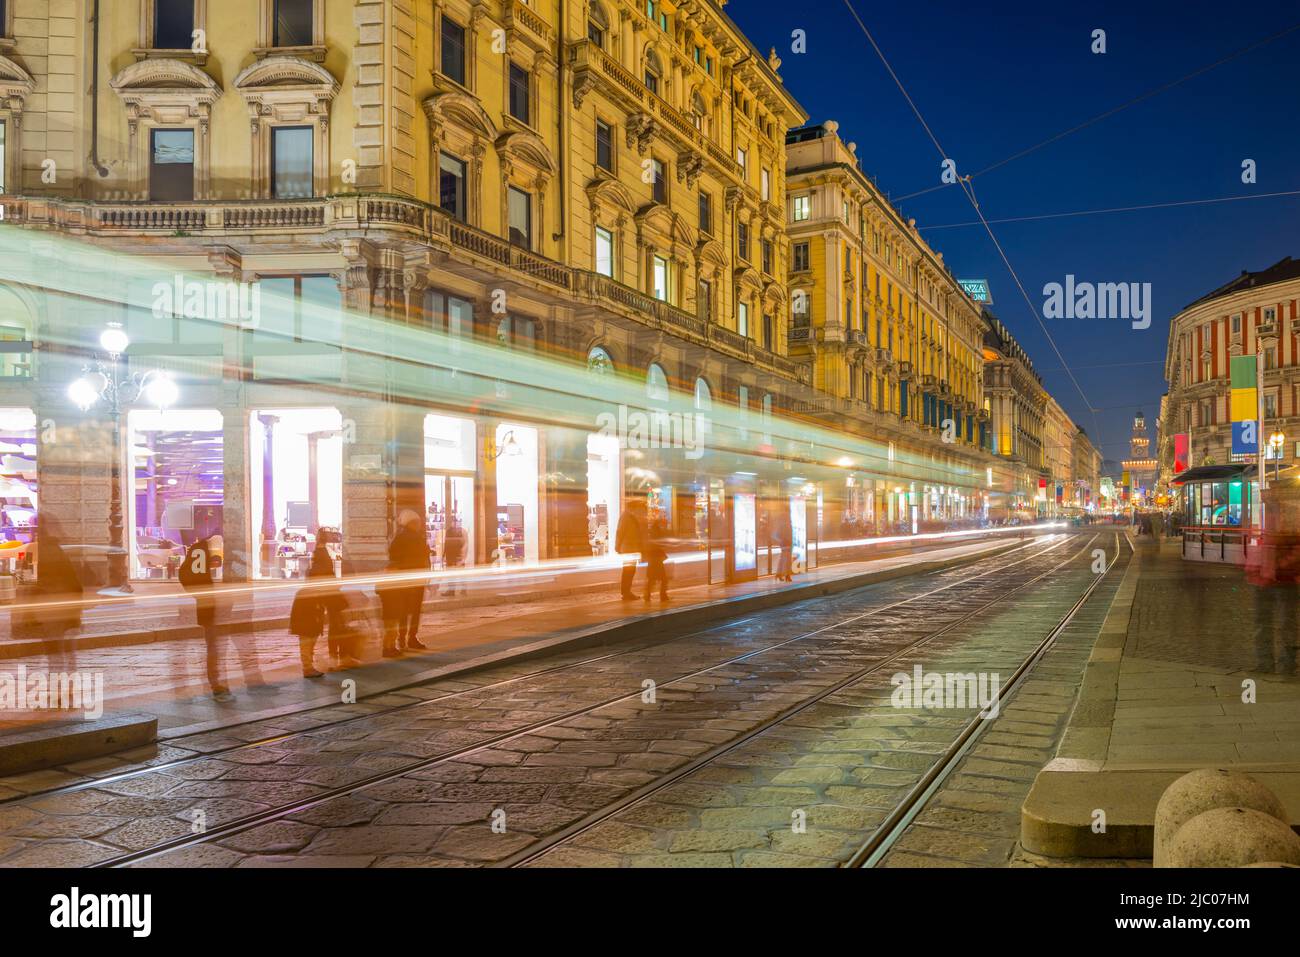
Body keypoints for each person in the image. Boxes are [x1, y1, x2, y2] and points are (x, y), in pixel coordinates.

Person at [180, 534, 266, 701]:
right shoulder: (203, 548)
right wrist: (202, 596)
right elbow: (185, 574)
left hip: (231, 608)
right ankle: (217, 686)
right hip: (213, 610)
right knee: (216, 649)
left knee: (242, 647)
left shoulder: (233, 547)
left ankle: (251, 682)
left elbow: (242, 572)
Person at [289, 543, 347, 678]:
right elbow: (328, 591)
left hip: (308, 606)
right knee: (307, 638)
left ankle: (308, 666)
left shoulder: (315, 569)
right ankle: (307, 668)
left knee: (308, 638)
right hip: (310, 607)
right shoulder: (322, 571)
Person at [380, 510, 431, 657]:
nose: (420, 524)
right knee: (410, 610)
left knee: (407, 610)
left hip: (411, 578)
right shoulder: (409, 538)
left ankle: (405, 639)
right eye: (417, 522)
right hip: (411, 579)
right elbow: (400, 557)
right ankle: (406, 638)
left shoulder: (402, 537)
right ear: (410, 523)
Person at [614, 501, 644, 600]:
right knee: (628, 571)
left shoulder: (631, 516)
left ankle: (626, 592)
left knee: (630, 571)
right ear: (632, 507)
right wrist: (617, 546)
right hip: (628, 549)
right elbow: (620, 532)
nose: (638, 510)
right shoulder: (626, 517)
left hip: (632, 548)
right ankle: (626, 593)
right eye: (636, 508)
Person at [643, 516, 670, 602]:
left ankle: (648, 595)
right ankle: (663, 596)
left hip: (653, 558)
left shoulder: (653, 531)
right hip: (656, 558)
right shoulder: (656, 531)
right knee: (663, 579)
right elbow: (657, 544)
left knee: (652, 578)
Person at [442, 518, 468, 597]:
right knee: (452, 574)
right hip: (451, 555)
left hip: (457, 555)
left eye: (456, 522)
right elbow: (446, 544)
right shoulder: (449, 531)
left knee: (459, 573)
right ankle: (452, 590)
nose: (455, 523)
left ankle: (461, 590)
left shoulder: (462, 531)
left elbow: (465, 544)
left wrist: (463, 556)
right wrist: (444, 555)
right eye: (453, 522)